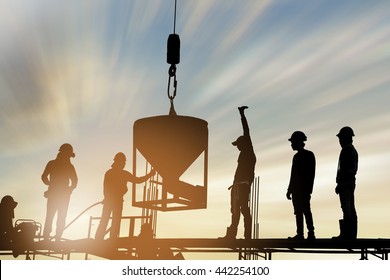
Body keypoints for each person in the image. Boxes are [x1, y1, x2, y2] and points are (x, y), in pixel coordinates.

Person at [95, 152, 155, 240]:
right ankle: (110, 240)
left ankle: (100, 239)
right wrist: (149, 175)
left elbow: (106, 188)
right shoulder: (118, 174)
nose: (124, 164)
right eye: (123, 162)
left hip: (112, 201)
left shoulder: (112, 173)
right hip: (115, 201)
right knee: (113, 221)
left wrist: (107, 197)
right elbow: (137, 180)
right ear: (119, 162)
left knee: (108, 220)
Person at [220, 106, 256, 240]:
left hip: (243, 185)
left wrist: (242, 114)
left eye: (238, 145)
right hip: (236, 186)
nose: (238, 147)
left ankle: (247, 236)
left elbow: (246, 130)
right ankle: (231, 235)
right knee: (235, 211)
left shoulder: (248, 150)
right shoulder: (243, 153)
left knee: (244, 210)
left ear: (244, 143)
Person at [41, 143, 78, 241]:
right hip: (62, 195)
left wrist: (50, 183)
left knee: (51, 216)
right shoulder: (69, 166)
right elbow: (75, 181)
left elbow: (44, 177)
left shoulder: (52, 164)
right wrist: (69, 189)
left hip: (56, 194)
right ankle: (55, 237)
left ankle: (48, 237)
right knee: (59, 216)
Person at [286, 131, 316, 240]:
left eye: (293, 142)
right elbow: (293, 175)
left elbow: (311, 174)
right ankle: (300, 234)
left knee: (306, 210)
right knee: (299, 212)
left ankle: (311, 233)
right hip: (297, 191)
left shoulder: (308, 155)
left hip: (303, 190)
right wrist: (290, 190)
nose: (291, 145)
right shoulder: (296, 157)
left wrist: (308, 190)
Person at [333, 126, 358, 240]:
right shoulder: (352, 150)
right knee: (349, 207)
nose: (340, 141)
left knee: (347, 208)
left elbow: (345, 170)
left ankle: (347, 235)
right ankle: (350, 234)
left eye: (341, 138)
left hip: (346, 183)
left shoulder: (347, 150)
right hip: (349, 182)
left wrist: (340, 183)